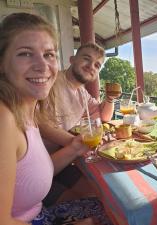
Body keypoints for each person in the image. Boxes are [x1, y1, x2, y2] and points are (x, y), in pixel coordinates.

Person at [0, 12, 111, 225]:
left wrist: (76, 147)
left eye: (49, 54)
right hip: (34, 218)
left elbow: (30, 170)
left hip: (37, 209)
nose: (42, 66)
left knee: (115, 209)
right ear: (2, 64)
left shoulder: (28, 110)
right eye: (25, 54)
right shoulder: (4, 118)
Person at [38, 42, 121, 206]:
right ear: (72, 59)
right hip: (38, 168)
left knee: (104, 194)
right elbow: (41, 123)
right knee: (93, 205)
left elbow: (103, 117)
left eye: (97, 65)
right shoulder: (51, 83)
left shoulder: (82, 93)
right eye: (86, 59)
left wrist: (110, 98)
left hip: (62, 162)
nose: (91, 66)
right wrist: (75, 143)